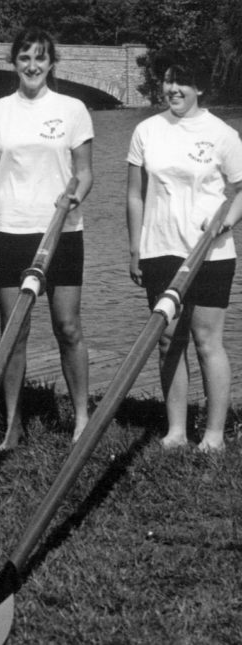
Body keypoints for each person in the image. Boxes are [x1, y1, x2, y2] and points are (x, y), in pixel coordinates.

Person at [0, 27, 93, 448]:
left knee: (68, 327)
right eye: (24, 57)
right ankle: (12, 423)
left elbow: (85, 172)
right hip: (10, 232)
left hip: (62, 232)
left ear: (51, 63)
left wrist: (75, 197)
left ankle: (82, 418)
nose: (32, 65)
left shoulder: (73, 109)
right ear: (14, 62)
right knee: (14, 332)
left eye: (40, 58)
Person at [126, 49, 242, 453]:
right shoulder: (146, 131)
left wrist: (227, 223)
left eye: (182, 82)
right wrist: (134, 248)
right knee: (168, 339)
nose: (173, 89)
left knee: (207, 339)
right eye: (168, 81)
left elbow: (241, 190)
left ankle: (213, 435)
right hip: (159, 249)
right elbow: (135, 195)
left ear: (200, 87)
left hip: (211, 252)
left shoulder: (224, 135)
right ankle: (176, 431)